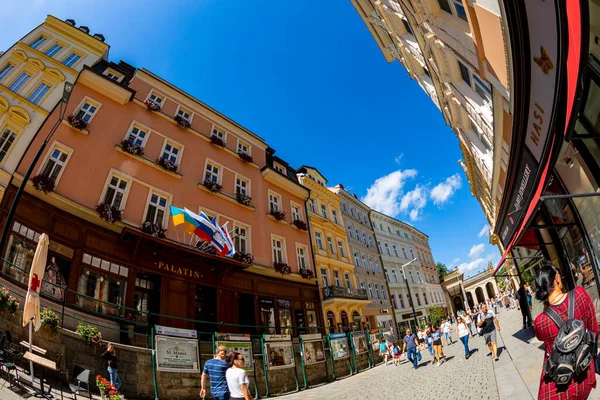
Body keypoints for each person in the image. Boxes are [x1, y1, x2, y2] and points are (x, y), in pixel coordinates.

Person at [533, 264, 598, 399]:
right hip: (585, 375)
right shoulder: (580, 294)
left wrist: (547, 303)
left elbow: (540, 337)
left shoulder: (540, 321)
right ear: (557, 278)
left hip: (562, 387)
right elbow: (594, 331)